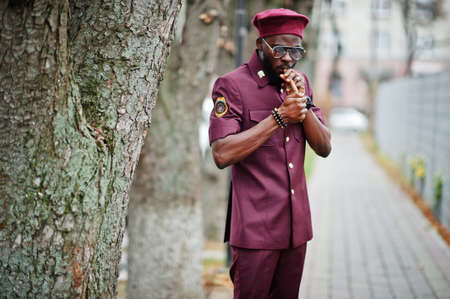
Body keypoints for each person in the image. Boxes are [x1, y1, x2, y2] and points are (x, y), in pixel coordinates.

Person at [208, 8, 332, 299]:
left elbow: (324, 147)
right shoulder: (232, 86)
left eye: (295, 50)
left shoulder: (300, 83)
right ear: (259, 44)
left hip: (296, 231)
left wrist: (302, 106)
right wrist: (280, 116)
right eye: (279, 49)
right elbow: (222, 154)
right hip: (255, 233)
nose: (288, 58)